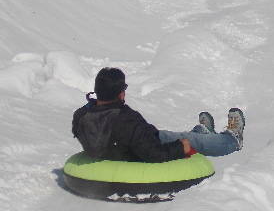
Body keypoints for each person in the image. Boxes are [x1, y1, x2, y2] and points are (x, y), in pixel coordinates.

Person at [72, 68, 244, 161]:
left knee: (178, 135)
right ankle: (231, 140)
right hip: (138, 148)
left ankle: (202, 132)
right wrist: (180, 148)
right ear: (120, 94)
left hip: (123, 146)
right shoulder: (125, 120)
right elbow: (153, 153)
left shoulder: (80, 115)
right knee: (188, 140)